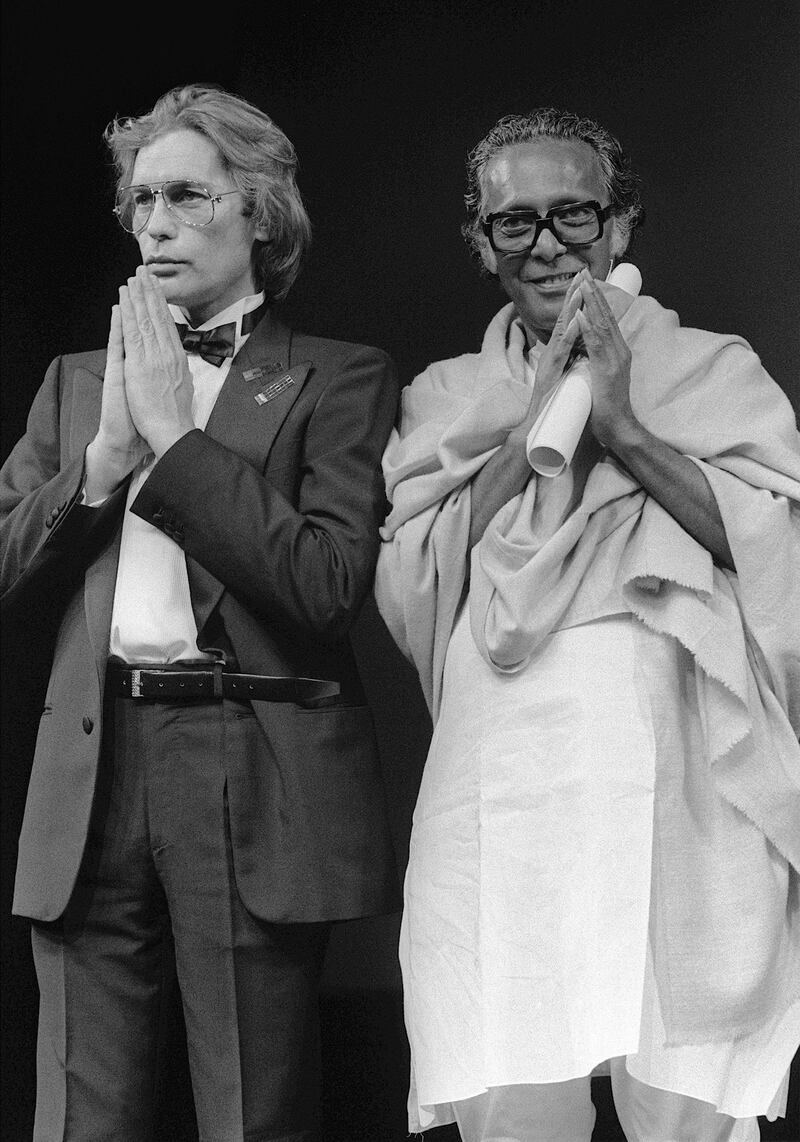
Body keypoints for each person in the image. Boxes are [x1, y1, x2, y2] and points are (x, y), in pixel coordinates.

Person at [375, 107, 800, 1142]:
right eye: (513, 223)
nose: (547, 244)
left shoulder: (710, 368)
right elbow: (411, 581)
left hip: (681, 760)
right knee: (512, 1076)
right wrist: (530, 433)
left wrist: (618, 425)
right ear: (481, 243)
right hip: (504, 775)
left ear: (619, 226)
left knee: (685, 1093)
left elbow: (772, 541)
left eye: (572, 214)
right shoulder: (447, 394)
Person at [0, 83, 400, 1142]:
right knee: (80, 1117)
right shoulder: (76, 382)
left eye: (186, 195)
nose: (155, 222)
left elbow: (326, 584)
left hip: (244, 760)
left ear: (259, 212)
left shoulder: (338, 377)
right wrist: (102, 464)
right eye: (139, 201)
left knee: (249, 1116)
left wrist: (178, 446)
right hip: (89, 767)